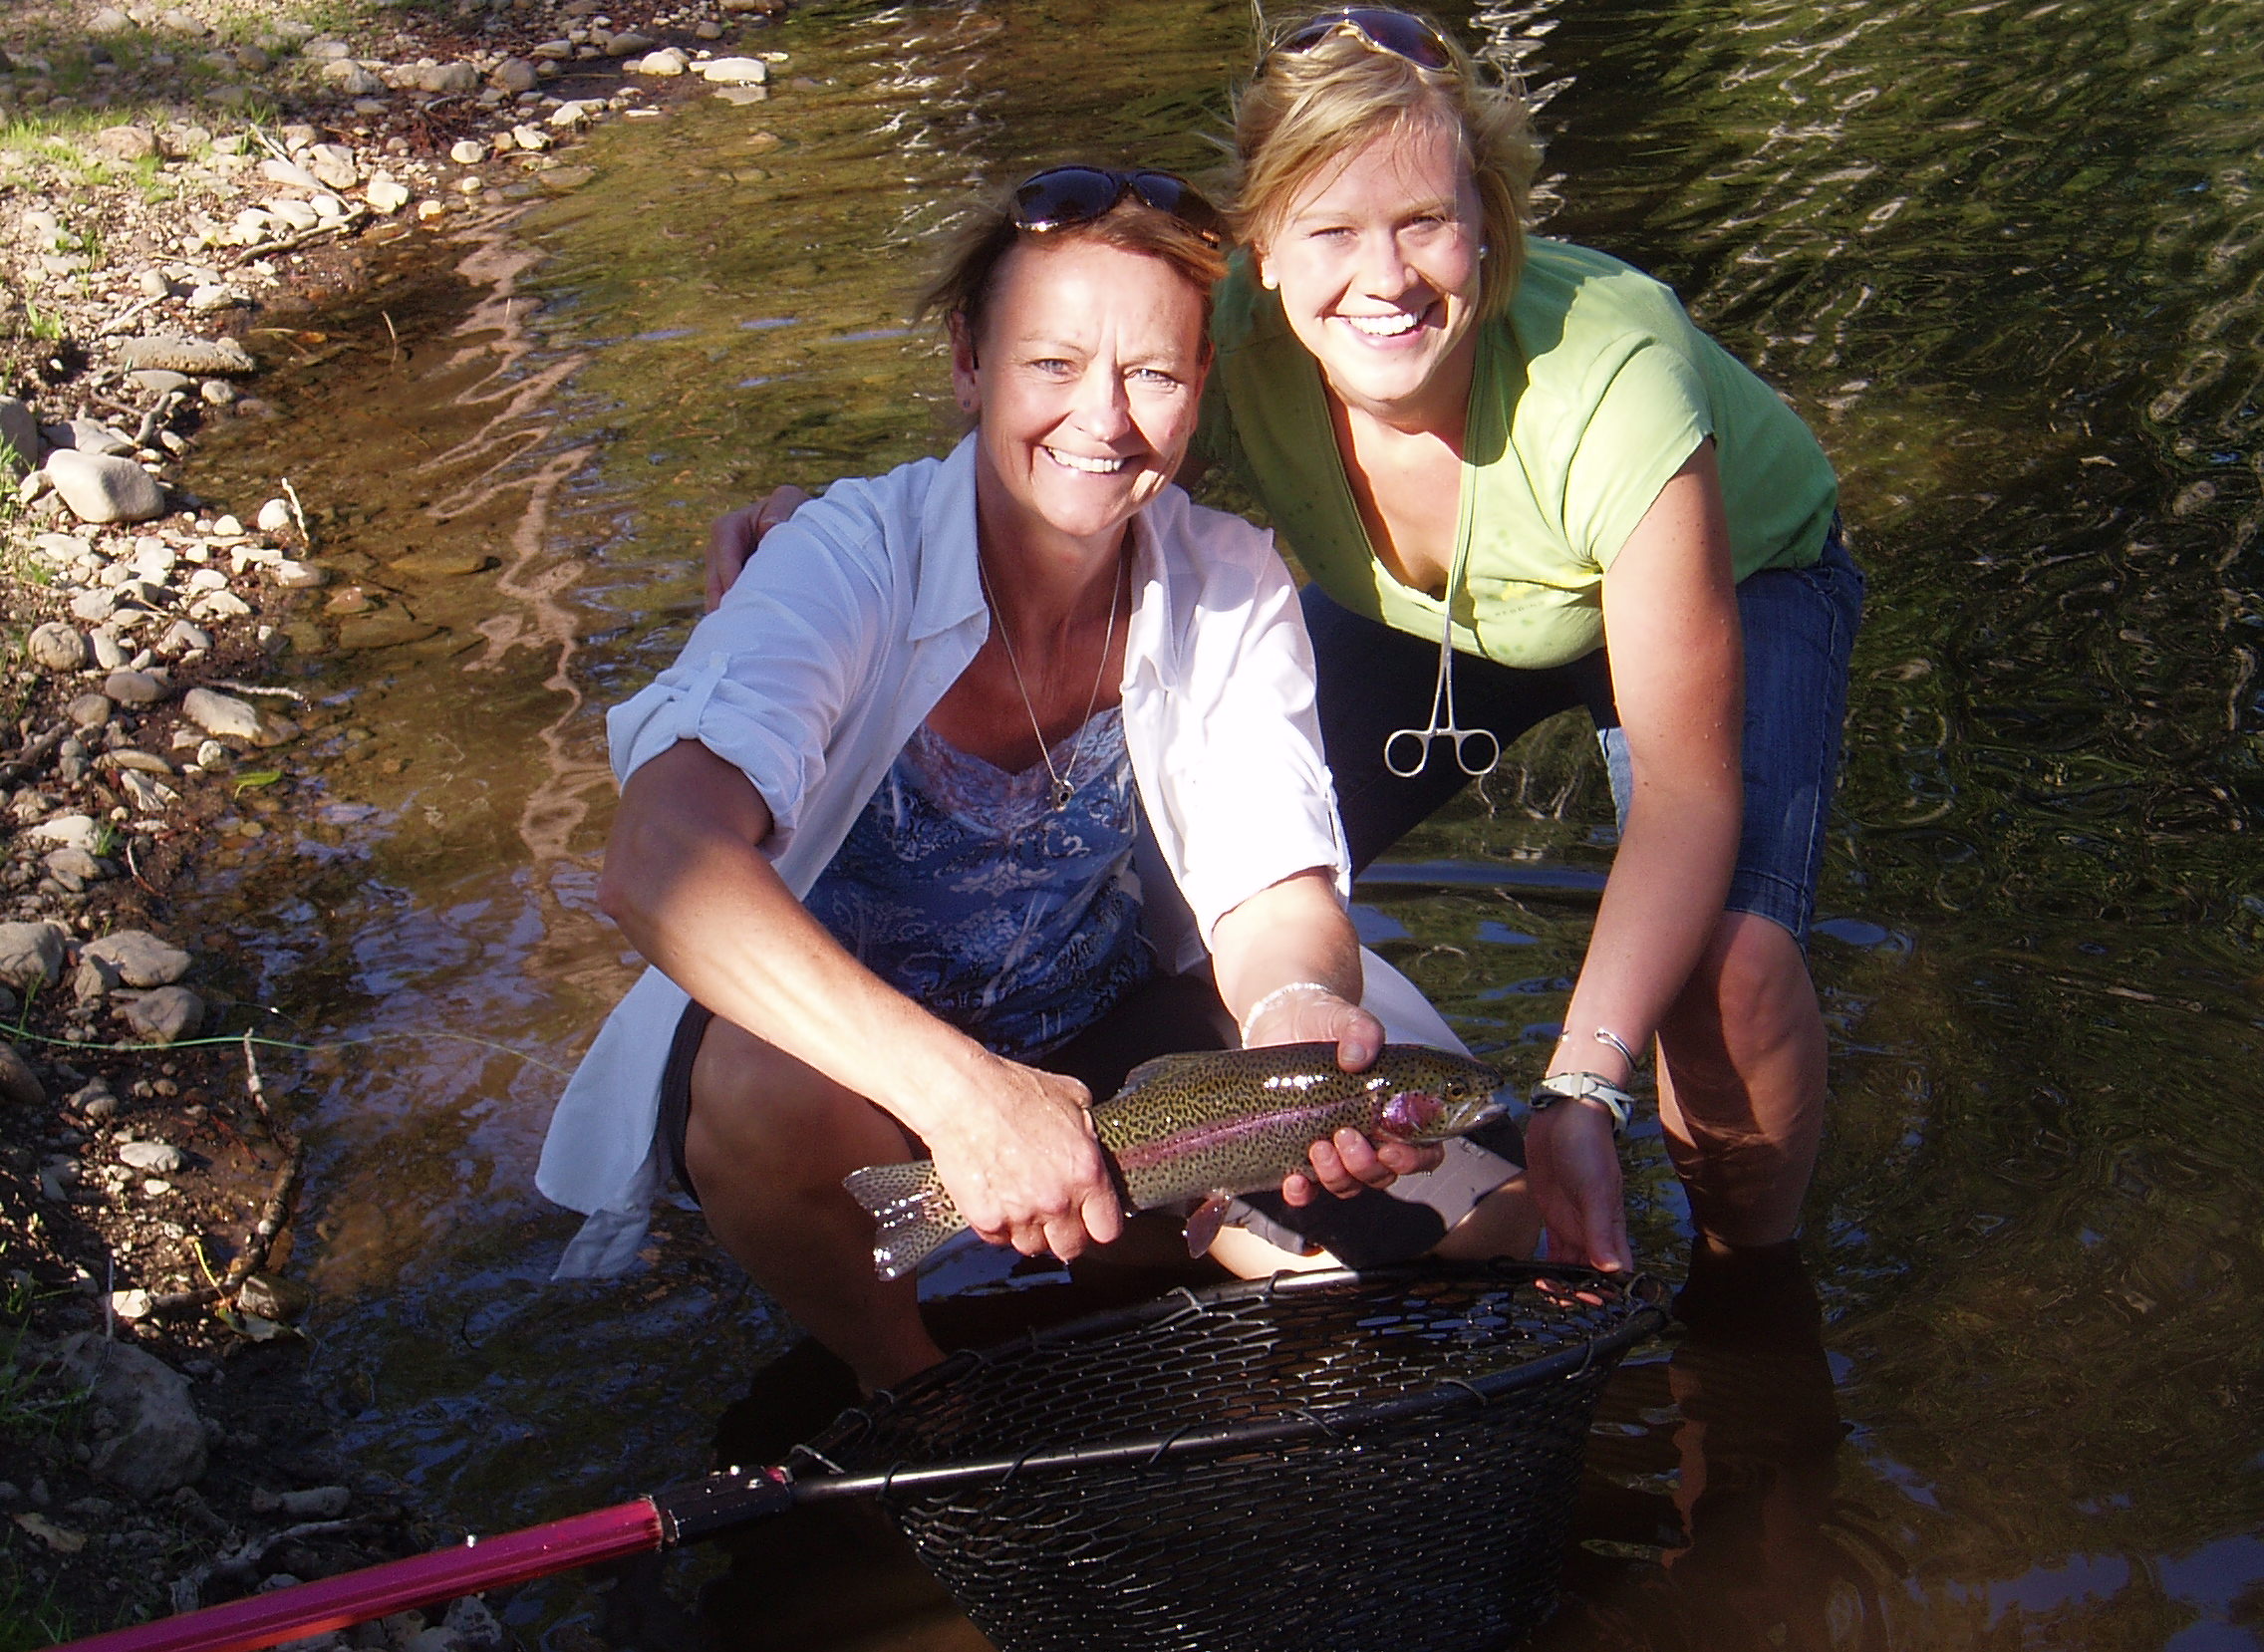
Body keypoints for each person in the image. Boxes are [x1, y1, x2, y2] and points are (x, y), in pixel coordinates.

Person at [709, 10, 1863, 1278]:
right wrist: (817, 531)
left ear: (1489, 219)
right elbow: (1058, 414)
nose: (1384, 280)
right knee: (1187, 888)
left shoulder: (1616, 368)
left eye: (1426, 221)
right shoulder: (1229, 337)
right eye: (1330, 232)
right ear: (1263, 250)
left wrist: (1584, 1087)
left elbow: (1690, 793)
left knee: (1728, 970)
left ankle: (1745, 1290)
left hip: (1733, 576)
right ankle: (1161, 1177)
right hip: (1431, 617)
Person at [538, 167, 1533, 1393]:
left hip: (1108, 1031)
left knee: (1502, 1238)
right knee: (751, 1088)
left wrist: (1296, 1024)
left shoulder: (1230, 580)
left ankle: (1155, 1236)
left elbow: (1271, 891)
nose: (1102, 421)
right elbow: (655, 866)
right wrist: (969, 1101)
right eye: (1051, 365)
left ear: (1200, 389)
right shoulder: (842, 563)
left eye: (1153, 375)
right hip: (859, 1072)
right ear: (967, 360)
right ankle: (911, 1387)